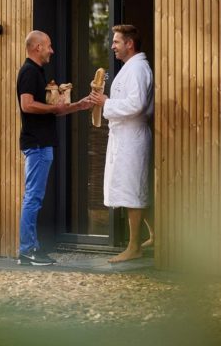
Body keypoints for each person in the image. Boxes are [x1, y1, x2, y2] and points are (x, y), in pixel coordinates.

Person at [16, 31, 92, 266]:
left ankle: (30, 249)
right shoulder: (29, 71)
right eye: (48, 46)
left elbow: (52, 109)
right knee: (33, 198)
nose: (52, 50)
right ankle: (27, 250)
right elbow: (27, 106)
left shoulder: (38, 72)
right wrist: (54, 109)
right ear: (37, 47)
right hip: (37, 144)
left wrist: (78, 106)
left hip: (43, 143)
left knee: (35, 197)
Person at [88, 25, 154, 263]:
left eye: (116, 42)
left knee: (132, 191)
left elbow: (136, 104)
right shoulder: (130, 67)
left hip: (132, 137)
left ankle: (134, 246)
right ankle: (155, 235)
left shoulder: (137, 69)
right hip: (124, 136)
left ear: (130, 44)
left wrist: (106, 102)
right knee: (132, 189)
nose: (112, 46)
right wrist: (103, 101)